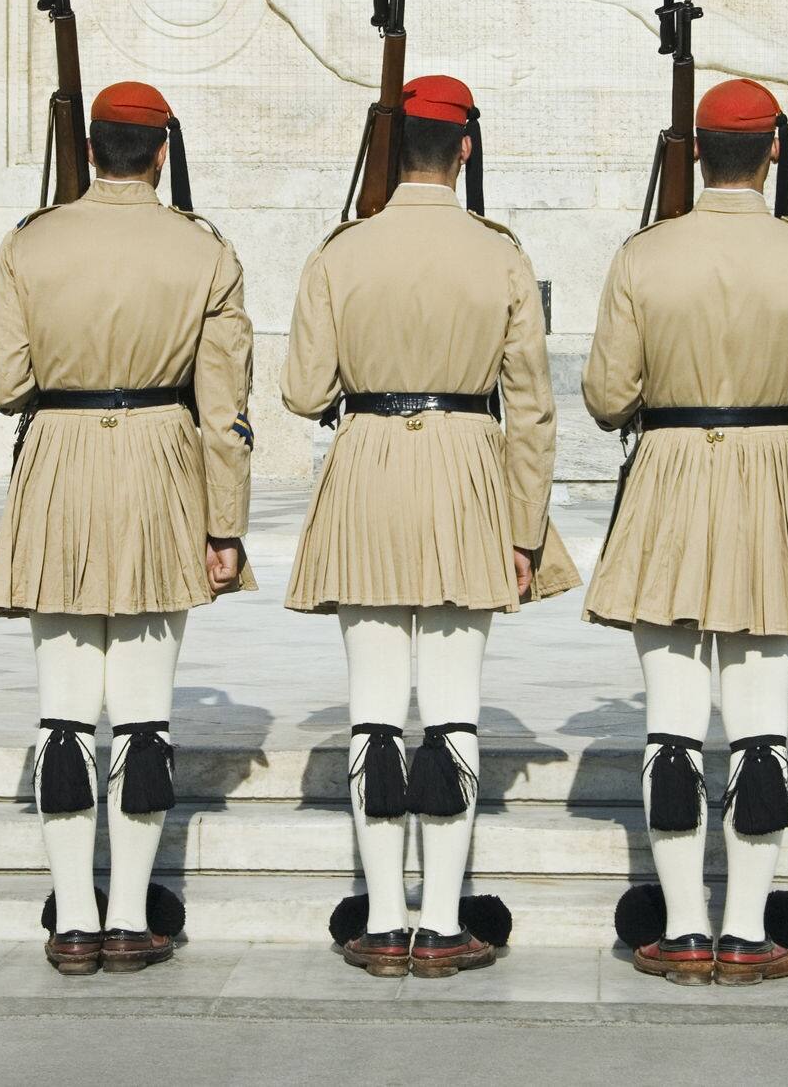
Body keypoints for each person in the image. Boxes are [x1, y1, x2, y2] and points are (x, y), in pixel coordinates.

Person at [281, 74, 579, 978]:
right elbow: (532, 409)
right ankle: (444, 921)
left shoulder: (343, 249)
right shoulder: (500, 254)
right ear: (466, 148)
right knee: (453, 708)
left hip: (369, 461)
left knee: (375, 708)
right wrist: (525, 530)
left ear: (389, 149)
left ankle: (379, 918)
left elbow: (301, 391)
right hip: (466, 468)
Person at [583, 78, 788, 986]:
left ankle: (678, 925)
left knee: (670, 725)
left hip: (669, 474)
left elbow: (605, 398)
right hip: (775, 478)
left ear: (696, 153)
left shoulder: (644, 256)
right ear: (773, 152)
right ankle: (745, 932)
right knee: (761, 726)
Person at [0, 81, 254, 976]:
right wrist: (226, 524)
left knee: (64, 709)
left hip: (58, 461)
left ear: (90, 149)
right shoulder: (202, 249)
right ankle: (131, 916)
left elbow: (2, 382)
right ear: (162, 153)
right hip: (160, 465)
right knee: (142, 710)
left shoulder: (32, 240)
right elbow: (226, 408)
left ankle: (73, 920)